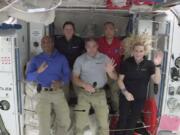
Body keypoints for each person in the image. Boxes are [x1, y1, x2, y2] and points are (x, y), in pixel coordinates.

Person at [115, 34, 163, 135]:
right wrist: (126, 93)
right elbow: (119, 80)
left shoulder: (149, 64)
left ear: (144, 51)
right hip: (126, 96)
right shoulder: (126, 63)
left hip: (140, 98)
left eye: (141, 51)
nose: (138, 53)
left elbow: (157, 81)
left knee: (133, 120)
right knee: (123, 118)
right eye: (136, 51)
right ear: (132, 51)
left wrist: (157, 65)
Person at [26, 36, 71, 135]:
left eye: (49, 42)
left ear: (53, 43)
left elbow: (68, 75)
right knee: (43, 124)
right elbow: (28, 77)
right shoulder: (36, 59)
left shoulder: (61, 58)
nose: (46, 44)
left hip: (58, 92)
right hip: (43, 93)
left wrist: (61, 83)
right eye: (43, 42)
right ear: (41, 45)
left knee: (64, 120)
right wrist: (38, 71)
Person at [73, 38, 118, 135]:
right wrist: (84, 84)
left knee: (104, 125)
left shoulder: (105, 58)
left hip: (100, 94)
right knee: (79, 124)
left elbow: (115, 77)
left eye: (94, 46)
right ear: (85, 47)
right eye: (88, 47)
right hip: (84, 94)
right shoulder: (80, 59)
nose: (91, 49)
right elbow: (74, 78)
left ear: (97, 46)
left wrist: (110, 72)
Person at [55, 21, 85, 103]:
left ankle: (82, 105)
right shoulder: (58, 41)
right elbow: (55, 55)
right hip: (63, 69)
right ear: (63, 30)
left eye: (70, 29)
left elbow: (84, 54)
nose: (68, 31)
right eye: (66, 29)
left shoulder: (79, 41)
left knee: (78, 88)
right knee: (64, 89)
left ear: (74, 30)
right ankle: (65, 106)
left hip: (76, 68)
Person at [97, 21, 123, 113]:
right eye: (106, 29)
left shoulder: (119, 43)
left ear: (114, 30)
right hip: (101, 73)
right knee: (99, 92)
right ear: (103, 31)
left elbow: (124, 56)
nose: (108, 31)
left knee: (115, 93)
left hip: (115, 73)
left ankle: (116, 111)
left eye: (111, 29)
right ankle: (103, 111)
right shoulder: (99, 42)